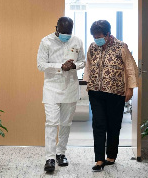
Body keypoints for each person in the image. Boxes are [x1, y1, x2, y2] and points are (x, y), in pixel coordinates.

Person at [83, 20, 138, 171]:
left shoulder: (121, 46)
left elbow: (130, 68)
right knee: (98, 124)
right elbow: (88, 65)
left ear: (108, 34)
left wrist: (130, 89)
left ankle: (111, 156)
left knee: (113, 125)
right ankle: (99, 159)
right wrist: (86, 83)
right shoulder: (93, 47)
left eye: (99, 36)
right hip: (96, 91)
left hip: (116, 92)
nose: (96, 39)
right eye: (94, 36)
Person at [37, 17, 85, 172]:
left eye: (69, 32)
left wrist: (74, 65)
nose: (66, 35)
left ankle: (61, 153)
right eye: (63, 32)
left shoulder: (77, 41)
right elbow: (41, 65)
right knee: (51, 122)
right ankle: (49, 158)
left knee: (66, 123)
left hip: (70, 87)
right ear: (56, 28)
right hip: (52, 87)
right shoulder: (46, 42)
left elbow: (83, 61)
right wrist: (60, 66)